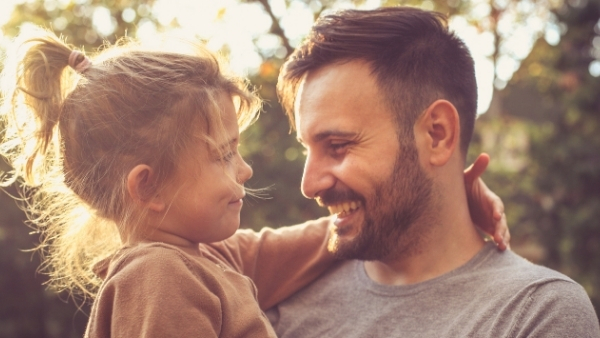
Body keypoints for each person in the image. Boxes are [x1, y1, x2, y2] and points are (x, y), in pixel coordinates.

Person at [0, 27, 508, 337]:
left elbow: (310, 244)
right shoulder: (158, 278)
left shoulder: (205, 257)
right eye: (223, 156)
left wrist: (439, 197)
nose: (244, 170)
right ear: (148, 189)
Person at [266, 6, 600, 337]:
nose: (309, 185)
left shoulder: (534, 314)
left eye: (337, 146)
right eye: (306, 149)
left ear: (436, 135)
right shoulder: (278, 304)